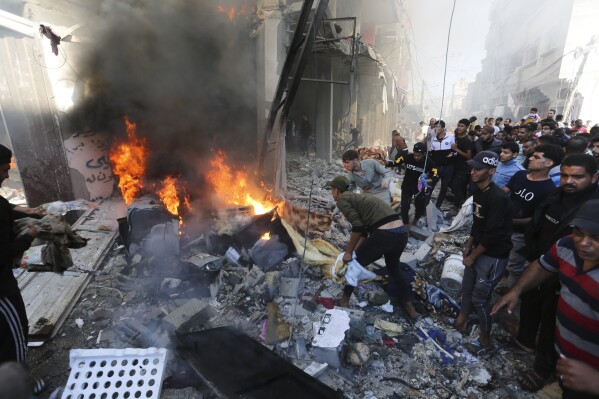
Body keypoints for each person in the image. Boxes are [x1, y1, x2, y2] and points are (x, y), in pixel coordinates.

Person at [506, 153, 599, 392]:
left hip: (566, 275)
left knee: (553, 317)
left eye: (577, 177)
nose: (569, 181)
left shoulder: (592, 208)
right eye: (566, 175)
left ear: (594, 177)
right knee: (532, 302)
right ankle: (526, 341)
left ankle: (545, 368)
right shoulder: (557, 196)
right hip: (546, 259)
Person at [326, 176, 417, 319]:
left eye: (332, 190)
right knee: (394, 269)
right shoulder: (359, 199)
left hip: (385, 234)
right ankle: (408, 304)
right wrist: (356, 251)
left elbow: (357, 227)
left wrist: (349, 253)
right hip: (401, 234)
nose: (332, 193)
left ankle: (344, 301)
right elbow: (364, 232)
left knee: (353, 266)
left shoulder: (342, 200)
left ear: (336, 190)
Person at [454, 151, 513, 352]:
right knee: (467, 288)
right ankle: (461, 320)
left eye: (478, 169)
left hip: (492, 256)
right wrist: (468, 244)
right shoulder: (478, 191)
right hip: (478, 249)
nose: (473, 172)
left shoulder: (498, 198)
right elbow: (478, 224)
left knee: (481, 299)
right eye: (472, 168)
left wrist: (472, 256)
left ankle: (485, 340)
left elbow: (492, 235)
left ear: (492, 171)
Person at [501, 144, 562, 290]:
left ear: (549, 163)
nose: (530, 158)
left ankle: (511, 293)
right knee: (499, 257)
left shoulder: (549, 190)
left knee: (514, 265)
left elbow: (536, 219)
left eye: (536, 157)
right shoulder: (520, 175)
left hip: (520, 235)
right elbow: (504, 193)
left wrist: (511, 221)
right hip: (502, 227)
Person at [393, 142, 438, 227]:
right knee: (404, 206)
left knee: (420, 206)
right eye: (415, 155)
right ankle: (405, 225)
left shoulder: (428, 162)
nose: (416, 157)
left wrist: (427, 180)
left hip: (419, 187)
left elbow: (436, 175)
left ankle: (415, 221)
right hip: (407, 185)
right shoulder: (408, 157)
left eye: (419, 155)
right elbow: (396, 162)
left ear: (424, 154)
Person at [428, 120, 455, 209]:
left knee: (444, 187)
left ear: (443, 128)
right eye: (435, 127)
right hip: (437, 167)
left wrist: (451, 154)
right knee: (431, 185)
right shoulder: (433, 139)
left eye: (438, 127)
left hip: (448, 167)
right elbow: (431, 154)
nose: (436, 128)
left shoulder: (451, 137)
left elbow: (455, 151)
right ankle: (426, 204)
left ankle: (437, 206)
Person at [451, 118, 474, 208]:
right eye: (459, 125)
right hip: (455, 166)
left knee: (456, 187)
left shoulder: (467, 140)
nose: (460, 128)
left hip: (463, 168)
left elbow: (469, 156)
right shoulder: (456, 136)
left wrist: (456, 149)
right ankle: (461, 205)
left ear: (467, 127)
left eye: (462, 126)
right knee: (460, 187)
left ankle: (460, 206)